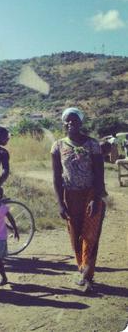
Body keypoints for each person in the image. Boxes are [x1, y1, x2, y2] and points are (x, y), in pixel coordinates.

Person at [51, 107, 106, 293]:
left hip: (91, 193)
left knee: (91, 235)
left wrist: (96, 198)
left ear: (81, 123)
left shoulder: (92, 144)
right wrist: (60, 203)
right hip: (70, 195)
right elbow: (57, 177)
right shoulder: (58, 146)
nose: (71, 123)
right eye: (67, 120)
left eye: (75, 120)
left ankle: (87, 276)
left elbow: (100, 174)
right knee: (75, 235)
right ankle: (82, 269)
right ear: (63, 123)